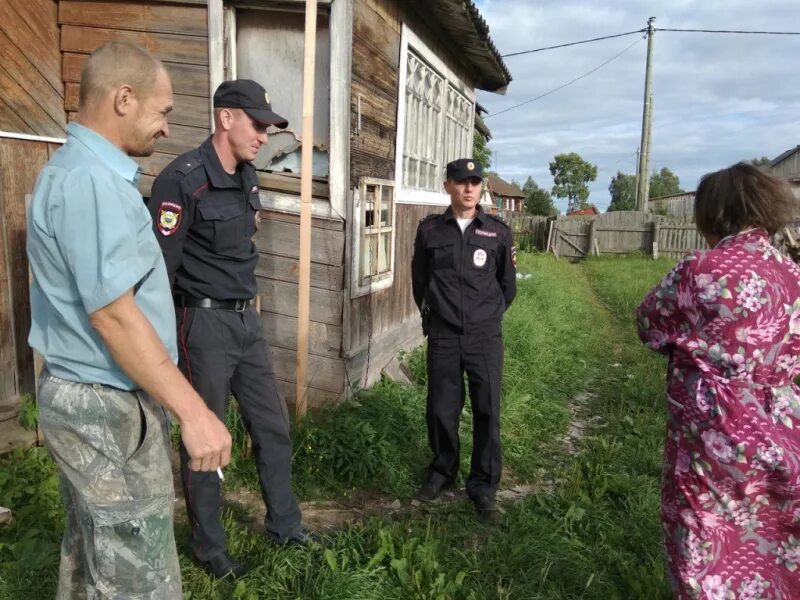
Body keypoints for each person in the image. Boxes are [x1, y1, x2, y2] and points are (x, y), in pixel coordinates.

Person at [26, 42, 232, 598]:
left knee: (96, 552)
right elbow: (114, 316)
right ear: (123, 99)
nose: (167, 128)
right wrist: (194, 412)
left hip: (90, 396)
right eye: (163, 111)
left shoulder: (77, 172)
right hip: (105, 403)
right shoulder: (91, 183)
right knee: (138, 577)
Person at [146, 79, 316, 579]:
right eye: (257, 124)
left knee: (272, 427)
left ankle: (285, 526)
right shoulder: (181, 180)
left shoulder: (246, 175)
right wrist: (165, 344)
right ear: (226, 118)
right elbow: (161, 270)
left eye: (267, 128)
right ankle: (210, 549)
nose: (264, 136)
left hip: (247, 321)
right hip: (203, 325)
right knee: (206, 440)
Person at [637, 163, 800, 597]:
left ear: (715, 214)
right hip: (785, 433)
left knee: (706, 542)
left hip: (715, 438)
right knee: (777, 541)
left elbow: (649, 324)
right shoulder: (794, 275)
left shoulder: (700, 270)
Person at [411, 158, 517, 521]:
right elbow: (419, 282)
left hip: (485, 338)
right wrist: (435, 317)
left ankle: (484, 486)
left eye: (474, 182)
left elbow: (508, 286)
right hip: (443, 335)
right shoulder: (430, 231)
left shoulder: (497, 232)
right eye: (461, 182)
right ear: (448, 186)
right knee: (441, 409)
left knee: (487, 410)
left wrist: (485, 318)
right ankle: (442, 472)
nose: (469, 189)